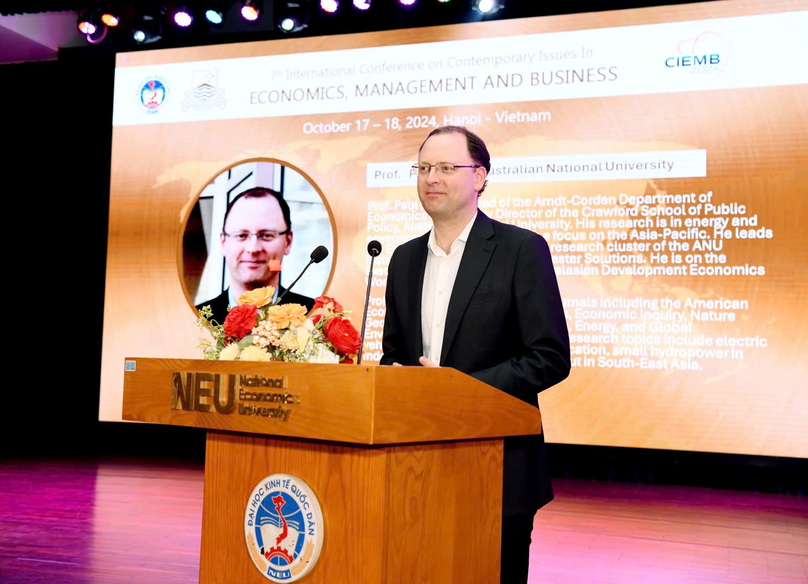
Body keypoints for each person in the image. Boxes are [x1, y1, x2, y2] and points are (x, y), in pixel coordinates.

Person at [380, 126, 571, 583]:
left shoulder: (520, 249)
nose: (432, 178)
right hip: (418, 467)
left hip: (497, 466)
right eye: (424, 168)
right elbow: (393, 355)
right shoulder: (403, 259)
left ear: (480, 176)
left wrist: (457, 390)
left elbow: (549, 356)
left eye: (447, 167)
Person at [196, 187, 315, 323]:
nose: (253, 249)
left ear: (288, 242)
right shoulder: (193, 321)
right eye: (241, 235)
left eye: (266, 235)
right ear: (223, 242)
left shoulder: (316, 319)